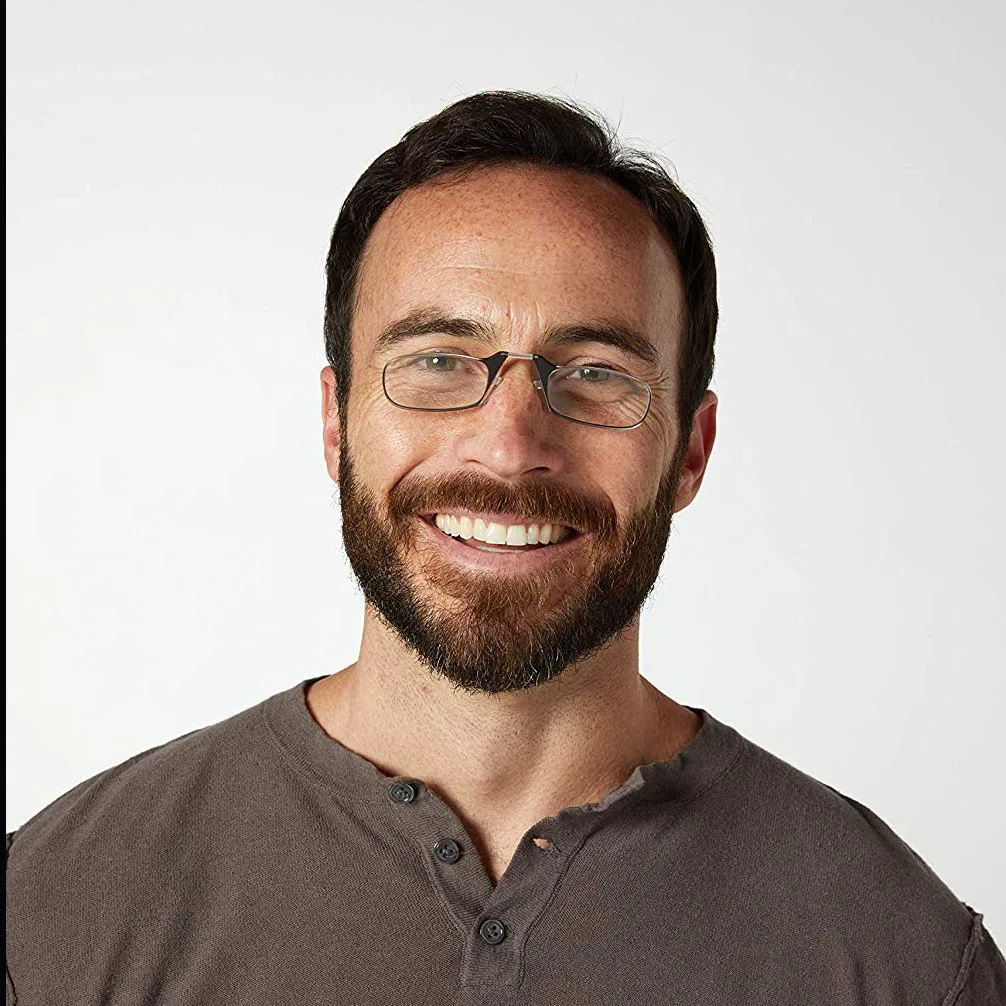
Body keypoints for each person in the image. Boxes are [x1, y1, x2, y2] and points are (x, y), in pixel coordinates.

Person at [6, 90, 1003, 1005]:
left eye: (596, 373)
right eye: (438, 360)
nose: (511, 446)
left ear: (690, 453)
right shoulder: (53, 912)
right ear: (336, 425)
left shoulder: (900, 956)